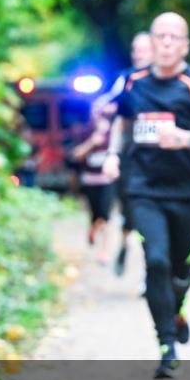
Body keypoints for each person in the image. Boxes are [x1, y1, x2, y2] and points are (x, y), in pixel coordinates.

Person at [104, 12, 190, 379]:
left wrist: (186, 138)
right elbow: (123, 122)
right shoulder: (134, 83)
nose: (165, 43)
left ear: (185, 45)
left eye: (174, 37)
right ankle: (167, 346)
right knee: (156, 261)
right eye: (160, 36)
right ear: (151, 40)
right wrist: (114, 154)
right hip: (144, 189)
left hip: (188, 191)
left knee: (179, 270)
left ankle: (175, 310)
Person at [110, 31, 155, 278]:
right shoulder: (126, 80)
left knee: (151, 221)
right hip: (130, 160)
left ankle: (151, 275)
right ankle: (125, 243)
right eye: (135, 50)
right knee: (130, 213)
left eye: (143, 49)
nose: (139, 54)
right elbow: (111, 107)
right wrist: (111, 154)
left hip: (160, 164)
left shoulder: (173, 82)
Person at [71, 97, 118, 263]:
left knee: (106, 217)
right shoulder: (84, 131)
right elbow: (76, 154)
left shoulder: (114, 132)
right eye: (96, 110)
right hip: (90, 181)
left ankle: (104, 252)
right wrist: (92, 142)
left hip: (107, 181)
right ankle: (92, 228)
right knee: (95, 215)